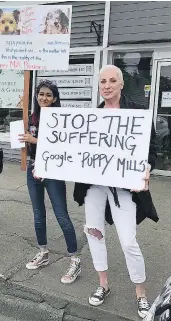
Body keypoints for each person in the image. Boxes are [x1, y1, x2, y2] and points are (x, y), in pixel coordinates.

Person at [73, 65, 158, 318]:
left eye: (112, 81)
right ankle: (103, 284)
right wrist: (48, 165)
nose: (107, 86)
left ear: (121, 84)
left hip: (125, 188)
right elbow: (76, 153)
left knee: (128, 241)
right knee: (94, 233)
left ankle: (141, 293)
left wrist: (147, 168)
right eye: (102, 82)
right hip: (94, 187)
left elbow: (151, 150)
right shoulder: (91, 117)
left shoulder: (137, 114)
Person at [19, 80, 80, 284]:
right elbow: (25, 144)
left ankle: (74, 259)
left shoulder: (60, 119)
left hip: (54, 172)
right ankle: (43, 252)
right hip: (33, 169)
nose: (43, 98)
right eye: (40, 94)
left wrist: (34, 141)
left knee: (62, 215)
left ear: (55, 98)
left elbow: (62, 145)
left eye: (48, 95)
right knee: (38, 214)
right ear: (36, 96)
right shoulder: (31, 118)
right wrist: (20, 138)